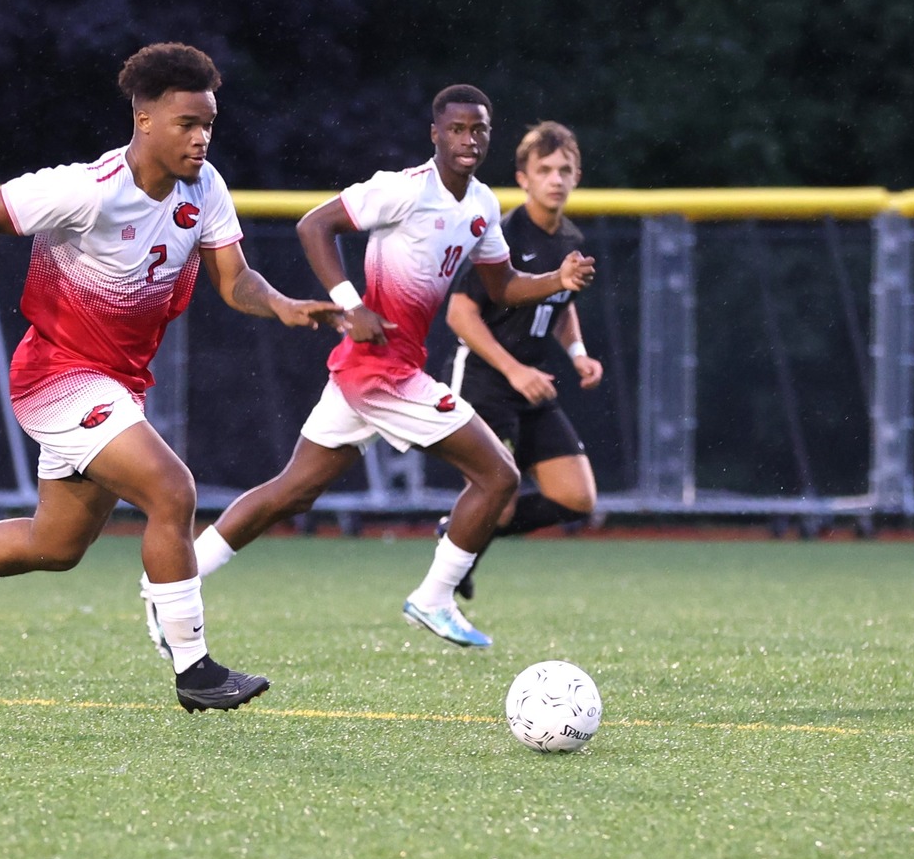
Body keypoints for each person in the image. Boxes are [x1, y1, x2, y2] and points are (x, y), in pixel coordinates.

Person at [0, 42, 341, 711]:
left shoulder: (205, 187)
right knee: (172, 489)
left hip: (116, 382)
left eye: (209, 124)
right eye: (187, 123)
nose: (202, 138)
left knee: (54, 545)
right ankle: (194, 669)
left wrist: (284, 305)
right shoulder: (89, 189)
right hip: (58, 375)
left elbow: (236, 283)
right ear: (144, 119)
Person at [164, 86, 595, 651]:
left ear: (489, 136)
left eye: (479, 130)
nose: (468, 140)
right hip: (382, 374)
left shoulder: (484, 206)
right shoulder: (402, 189)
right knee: (499, 477)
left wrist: (555, 282)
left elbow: (505, 287)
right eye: (457, 130)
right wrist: (350, 303)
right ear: (435, 134)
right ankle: (434, 598)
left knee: (291, 492)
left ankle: (172, 583)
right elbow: (313, 226)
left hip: (376, 367)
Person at [437, 121, 604, 600]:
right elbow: (460, 313)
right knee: (501, 503)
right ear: (523, 178)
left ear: (576, 178)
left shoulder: (570, 238)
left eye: (565, 169)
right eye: (545, 169)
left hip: (533, 382)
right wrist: (514, 370)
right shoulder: (502, 232)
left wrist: (578, 354)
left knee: (577, 499)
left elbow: (560, 306)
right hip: (487, 380)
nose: (556, 178)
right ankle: (450, 566)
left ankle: (459, 533)